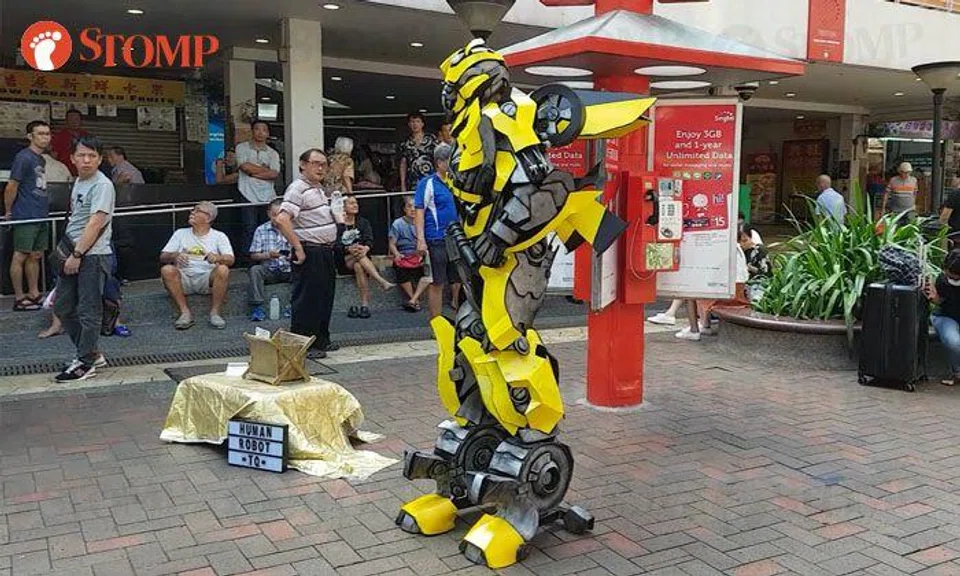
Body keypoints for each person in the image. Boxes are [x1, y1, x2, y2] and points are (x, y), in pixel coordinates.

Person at [52, 135, 116, 382]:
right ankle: (90, 352)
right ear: (72, 158)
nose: (86, 160)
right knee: (63, 307)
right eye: (81, 155)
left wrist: (77, 254)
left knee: (89, 311)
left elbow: (96, 222)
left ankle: (85, 362)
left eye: (92, 156)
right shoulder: (79, 180)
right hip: (72, 251)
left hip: (92, 255)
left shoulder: (102, 185)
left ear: (100, 159)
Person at [274, 148, 344, 360]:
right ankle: (304, 343)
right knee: (308, 300)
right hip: (310, 250)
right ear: (303, 164)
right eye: (315, 163)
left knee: (324, 297)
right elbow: (282, 219)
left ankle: (321, 339)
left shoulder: (317, 189)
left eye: (323, 164)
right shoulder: (297, 188)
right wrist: (298, 247)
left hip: (323, 250)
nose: (320, 168)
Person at [159, 201, 234, 330]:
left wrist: (217, 257)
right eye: (193, 210)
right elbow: (163, 257)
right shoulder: (180, 233)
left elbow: (230, 259)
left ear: (208, 217)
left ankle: (215, 313)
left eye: (197, 210)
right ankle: (185, 313)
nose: (192, 213)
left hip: (207, 278)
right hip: (184, 278)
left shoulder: (219, 236)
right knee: (166, 270)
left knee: (223, 269)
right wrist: (175, 255)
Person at [4, 120, 52, 311]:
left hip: (40, 213)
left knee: (36, 255)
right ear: (30, 137)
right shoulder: (23, 157)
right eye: (40, 134)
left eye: (47, 134)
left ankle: (34, 292)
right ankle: (19, 297)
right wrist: (9, 211)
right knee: (20, 255)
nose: (45, 137)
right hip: (26, 214)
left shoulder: (41, 159)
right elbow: (11, 186)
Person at [415, 143, 461, 318]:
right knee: (437, 281)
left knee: (458, 279)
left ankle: (459, 315)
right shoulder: (427, 183)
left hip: (456, 237)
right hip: (436, 237)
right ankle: (436, 321)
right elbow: (419, 210)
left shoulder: (456, 182)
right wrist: (420, 239)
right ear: (440, 163)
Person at [339, 195, 394, 319]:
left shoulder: (363, 222)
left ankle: (364, 304)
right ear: (343, 207)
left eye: (356, 203)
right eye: (351, 203)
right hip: (345, 259)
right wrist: (348, 248)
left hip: (361, 257)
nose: (355, 205)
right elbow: (335, 244)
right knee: (358, 258)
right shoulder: (339, 224)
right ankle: (381, 281)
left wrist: (365, 248)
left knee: (359, 265)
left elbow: (370, 240)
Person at [236, 120, 281, 248]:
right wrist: (266, 171)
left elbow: (274, 174)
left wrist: (254, 173)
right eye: (257, 129)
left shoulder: (273, 153)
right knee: (249, 227)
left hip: (268, 195)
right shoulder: (242, 147)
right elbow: (244, 167)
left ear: (268, 133)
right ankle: (249, 260)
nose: (260, 133)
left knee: (267, 226)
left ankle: (266, 254)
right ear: (252, 131)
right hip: (247, 193)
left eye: (264, 130)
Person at [247, 199, 292, 321]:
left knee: (303, 268)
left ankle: (293, 305)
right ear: (268, 214)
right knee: (255, 270)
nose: (277, 218)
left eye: (280, 215)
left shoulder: (294, 228)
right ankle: (258, 307)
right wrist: (268, 255)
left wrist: (291, 256)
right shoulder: (261, 230)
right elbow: (254, 255)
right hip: (269, 269)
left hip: (289, 268)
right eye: (274, 215)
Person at [389, 195, 430, 312]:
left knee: (428, 271)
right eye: (409, 206)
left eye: (415, 207)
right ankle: (414, 299)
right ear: (404, 209)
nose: (412, 209)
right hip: (404, 254)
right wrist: (397, 254)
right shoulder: (397, 224)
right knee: (399, 268)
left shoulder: (424, 222)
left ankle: (413, 299)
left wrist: (422, 254)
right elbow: (392, 244)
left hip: (420, 254)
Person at [926, 249, 960, 386]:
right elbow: (941, 302)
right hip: (946, 316)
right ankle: (957, 372)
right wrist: (935, 298)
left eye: (956, 278)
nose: (951, 279)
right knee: (954, 342)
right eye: (949, 275)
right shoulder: (942, 280)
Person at [399, 112, 438, 193]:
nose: (415, 124)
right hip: (413, 182)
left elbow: (438, 159)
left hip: (430, 179)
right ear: (409, 124)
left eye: (417, 121)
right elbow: (403, 163)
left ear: (422, 124)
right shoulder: (406, 142)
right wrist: (403, 184)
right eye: (412, 122)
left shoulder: (431, 139)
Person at [50, 109, 88, 176]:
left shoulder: (87, 136)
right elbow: (54, 157)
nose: (74, 122)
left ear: (81, 121)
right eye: (71, 119)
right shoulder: (58, 137)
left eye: (76, 119)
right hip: (64, 173)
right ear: (66, 121)